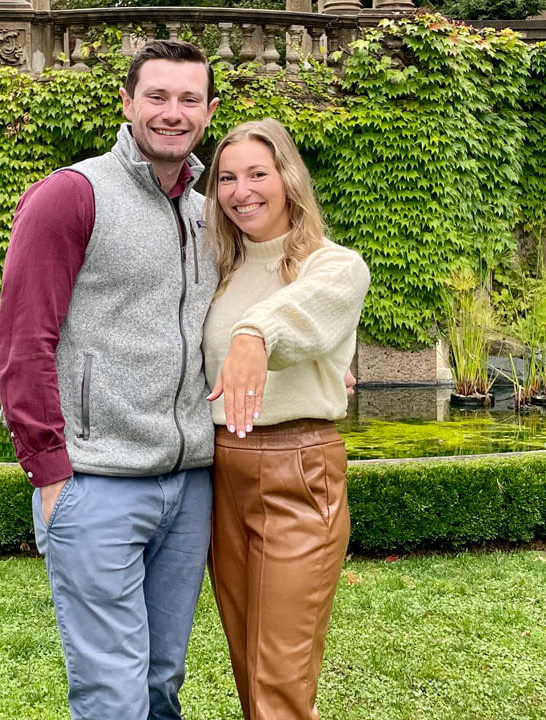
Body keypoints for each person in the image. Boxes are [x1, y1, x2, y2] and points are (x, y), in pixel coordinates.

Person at [0, 40, 220, 720]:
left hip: (190, 487)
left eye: (188, 100)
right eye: (157, 96)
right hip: (94, 485)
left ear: (209, 111)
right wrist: (51, 472)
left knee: (161, 681)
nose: (172, 113)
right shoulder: (72, 195)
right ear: (126, 103)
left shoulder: (208, 213)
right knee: (113, 695)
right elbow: (22, 339)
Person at [202, 118, 370, 720]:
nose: (241, 190)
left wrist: (254, 333)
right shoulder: (218, 266)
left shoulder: (334, 266)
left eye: (257, 173)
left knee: (280, 675)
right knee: (249, 671)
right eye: (226, 178)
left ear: (288, 178)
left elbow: (302, 317)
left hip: (297, 469)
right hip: (221, 472)